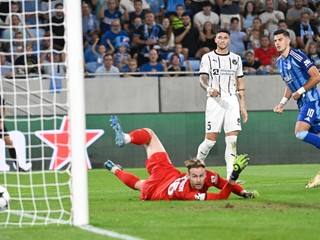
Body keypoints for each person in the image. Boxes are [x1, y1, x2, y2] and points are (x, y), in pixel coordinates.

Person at [105, 115, 256, 201]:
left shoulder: (208, 176)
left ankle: (117, 162)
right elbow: (222, 196)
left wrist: (243, 192)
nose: (198, 180)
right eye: (195, 176)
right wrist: (234, 175)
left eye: (201, 176)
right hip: (155, 190)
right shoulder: (189, 194)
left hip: (167, 174)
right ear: (188, 175)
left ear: (205, 174)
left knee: (149, 135)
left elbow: (222, 183)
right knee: (140, 184)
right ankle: (118, 161)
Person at [196, 28, 248, 180]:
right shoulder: (208, 57)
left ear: (229, 40)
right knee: (210, 141)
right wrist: (208, 88)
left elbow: (240, 81)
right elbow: (202, 80)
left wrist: (243, 105)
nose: (223, 40)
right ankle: (195, 165)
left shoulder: (236, 59)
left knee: (232, 141)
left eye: (225, 37)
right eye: (220, 37)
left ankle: (231, 177)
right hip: (215, 101)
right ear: (215, 40)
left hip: (232, 100)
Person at [273, 29, 320, 188]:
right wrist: (282, 102)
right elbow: (289, 83)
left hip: (311, 101)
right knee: (316, 135)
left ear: (288, 41)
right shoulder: (279, 62)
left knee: (300, 132)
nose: (277, 43)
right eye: (275, 40)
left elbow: (316, 76)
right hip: (303, 103)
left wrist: (300, 91)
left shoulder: (297, 56)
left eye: (280, 39)